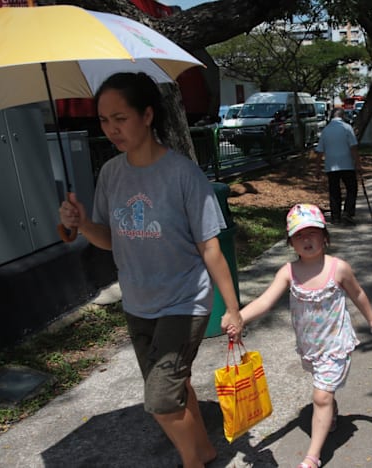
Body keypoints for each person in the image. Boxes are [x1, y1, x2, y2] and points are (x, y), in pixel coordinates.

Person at [58, 72, 243, 468]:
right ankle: (205, 452)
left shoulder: (183, 175)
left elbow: (210, 246)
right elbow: (111, 239)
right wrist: (83, 222)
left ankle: (193, 462)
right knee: (176, 389)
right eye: (104, 121)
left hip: (183, 301)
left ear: (146, 115)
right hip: (138, 302)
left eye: (119, 118)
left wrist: (232, 308)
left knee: (159, 399)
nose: (111, 129)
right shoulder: (110, 173)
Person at [225, 203, 372, 468]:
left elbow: (358, 294)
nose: (307, 239)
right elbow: (265, 301)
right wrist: (240, 316)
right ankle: (331, 411)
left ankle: (312, 457)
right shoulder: (288, 272)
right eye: (299, 235)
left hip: (336, 345)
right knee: (324, 392)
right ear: (290, 242)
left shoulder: (338, 268)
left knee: (320, 397)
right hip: (309, 347)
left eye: (312, 232)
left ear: (325, 236)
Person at [315, 108, 361, 225]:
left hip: (331, 166)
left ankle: (335, 216)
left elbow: (319, 151)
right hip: (347, 164)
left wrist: (318, 168)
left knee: (334, 191)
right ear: (343, 116)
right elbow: (353, 147)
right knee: (352, 188)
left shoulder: (326, 130)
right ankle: (348, 213)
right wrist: (357, 163)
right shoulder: (347, 128)